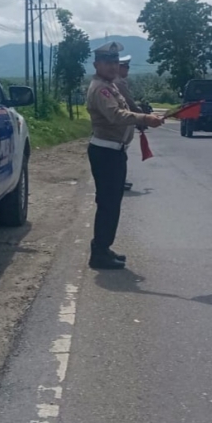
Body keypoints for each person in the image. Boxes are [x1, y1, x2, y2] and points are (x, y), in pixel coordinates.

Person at [85, 43, 164, 269]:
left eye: (114, 62)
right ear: (96, 64)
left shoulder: (110, 85)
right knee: (108, 204)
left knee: (111, 204)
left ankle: (104, 248)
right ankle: (99, 252)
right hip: (106, 153)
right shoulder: (100, 89)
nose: (112, 66)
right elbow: (115, 115)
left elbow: (124, 109)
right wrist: (144, 119)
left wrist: (143, 118)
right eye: (107, 62)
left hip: (113, 151)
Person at [115, 54, 145, 191]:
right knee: (119, 153)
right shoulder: (119, 82)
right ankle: (118, 180)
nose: (127, 69)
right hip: (120, 124)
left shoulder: (116, 81)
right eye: (125, 67)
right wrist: (144, 117)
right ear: (119, 68)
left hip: (118, 122)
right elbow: (130, 104)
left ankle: (119, 180)